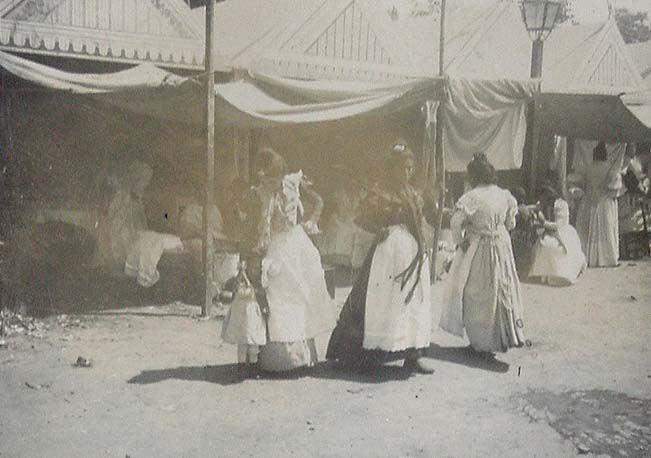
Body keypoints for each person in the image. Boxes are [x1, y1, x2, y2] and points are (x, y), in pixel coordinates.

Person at [326, 143, 435, 374]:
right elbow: (360, 219)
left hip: (412, 252)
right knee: (383, 300)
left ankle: (413, 355)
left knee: (412, 301)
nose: (407, 172)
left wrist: (423, 246)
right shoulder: (381, 193)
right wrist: (379, 229)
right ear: (392, 168)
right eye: (402, 168)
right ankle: (371, 353)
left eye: (410, 168)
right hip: (389, 252)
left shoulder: (412, 193)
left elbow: (420, 221)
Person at [249, 147, 335, 373]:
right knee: (278, 298)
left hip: (296, 245)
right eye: (268, 177)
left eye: (275, 176)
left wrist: (310, 221)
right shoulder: (260, 193)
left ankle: (302, 355)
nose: (272, 182)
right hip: (276, 247)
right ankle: (280, 358)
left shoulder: (293, 184)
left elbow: (318, 201)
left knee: (300, 295)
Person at [440, 153, 526, 354]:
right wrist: (501, 229)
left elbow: (455, 222)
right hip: (502, 246)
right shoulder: (504, 194)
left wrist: (461, 241)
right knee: (501, 289)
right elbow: (511, 222)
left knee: (478, 292)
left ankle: (481, 343)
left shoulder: (472, 197)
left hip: (481, 248)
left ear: (472, 177)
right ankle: (503, 336)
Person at [570, 141, 626, 268]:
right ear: (605, 154)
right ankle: (607, 258)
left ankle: (589, 257)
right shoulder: (610, 168)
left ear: (594, 154)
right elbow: (614, 188)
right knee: (605, 230)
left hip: (589, 201)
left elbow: (580, 182)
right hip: (604, 202)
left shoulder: (588, 168)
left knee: (589, 229)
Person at [528, 185, 586, 286]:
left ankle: (558, 274)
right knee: (541, 245)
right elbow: (535, 208)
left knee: (552, 247)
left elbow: (558, 225)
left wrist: (542, 223)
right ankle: (543, 274)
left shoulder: (561, 205)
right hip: (549, 231)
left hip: (562, 232)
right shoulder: (543, 203)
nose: (542, 201)